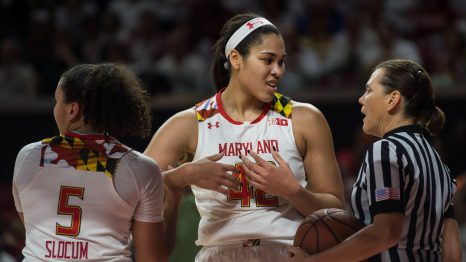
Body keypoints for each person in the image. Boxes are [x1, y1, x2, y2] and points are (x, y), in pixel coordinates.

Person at [143, 13, 344, 262]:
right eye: (268, 60)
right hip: (219, 253)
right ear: (236, 59)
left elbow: (337, 212)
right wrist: (179, 178)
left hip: (288, 252)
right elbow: (133, 191)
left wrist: (292, 191)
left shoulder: (304, 118)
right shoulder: (189, 123)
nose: (277, 71)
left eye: (282, 62)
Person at [288, 59, 462, 261]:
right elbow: (452, 253)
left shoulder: (386, 150)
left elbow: (385, 233)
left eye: (369, 91)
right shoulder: (438, 162)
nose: (361, 99)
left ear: (392, 99)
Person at [12, 63, 168, 262]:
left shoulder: (29, 157)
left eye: (57, 101)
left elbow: (34, 226)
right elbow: (151, 259)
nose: (55, 108)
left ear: (72, 110)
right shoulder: (142, 168)